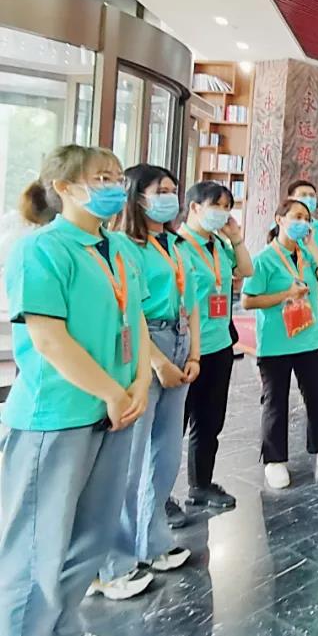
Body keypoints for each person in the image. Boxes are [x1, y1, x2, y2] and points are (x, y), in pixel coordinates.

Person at [0, 145, 152, 634]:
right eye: (101, 178)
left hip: (115, 412)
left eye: (116, 177)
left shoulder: (120, 248)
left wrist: (140, 381)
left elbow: (136, 318)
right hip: (56, 415)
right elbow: (48, 338)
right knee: (35, 548)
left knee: (91, 538)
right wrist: (111, 390)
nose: (114, 187)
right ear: (64, 188)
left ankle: (58, 625)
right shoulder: (41, 249)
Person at [93, 165, 201, 600]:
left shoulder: (175, 244)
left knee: (166, 452)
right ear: (137, 197)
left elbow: (192, 301)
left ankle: (152, 542)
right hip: (144, 344)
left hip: (179, 339)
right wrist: (155, 362)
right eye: (161, 191)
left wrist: (193, 354)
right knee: (129, 459)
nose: (170, 198)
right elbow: (130, 311)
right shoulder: (123, 245)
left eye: (174, 190)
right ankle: (113, 562)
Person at [242, 199, 318, 489]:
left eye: (307, 218)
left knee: (316, 398)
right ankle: (275, 461)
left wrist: (312, 244)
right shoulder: (264, 259)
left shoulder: (306, 255)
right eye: (297, 217)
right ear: (279, 219)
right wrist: (285, 296)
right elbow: (248, 300)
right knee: (275, 402)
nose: (303, 222)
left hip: (307, 339)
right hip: (276, 343)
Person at [175, 182, 253, 510]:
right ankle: (158, 497)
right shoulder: (176, 246)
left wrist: (236, 239)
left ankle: (201, 485)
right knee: (172, 428)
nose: (222, 213)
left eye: (227, 207)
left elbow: (246, 270)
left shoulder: (219, 244)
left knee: (209, 422)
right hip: (185, 348)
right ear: (194, 207)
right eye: (216, 206)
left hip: (219, 345)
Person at [285, 180, 318, 354]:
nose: (308, 199)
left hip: (317, 295)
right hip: (288, 295)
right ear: (290, 199)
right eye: (303, 195)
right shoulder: (282, 227)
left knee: (313, 346)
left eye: (312, 196)